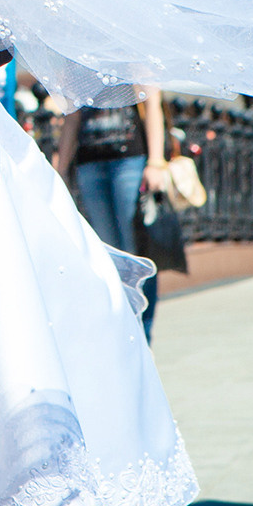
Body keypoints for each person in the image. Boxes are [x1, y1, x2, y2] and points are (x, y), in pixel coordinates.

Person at [52, 91, 170, 338]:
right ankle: (122, 331)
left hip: (129, 160)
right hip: (89, 161)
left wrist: (156, 161)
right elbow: (72, 116)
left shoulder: (130, 52)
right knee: (107, 253)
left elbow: (152, 104)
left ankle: (143, 333)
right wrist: (60, 170)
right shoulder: (79, 56)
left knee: (134, 249)